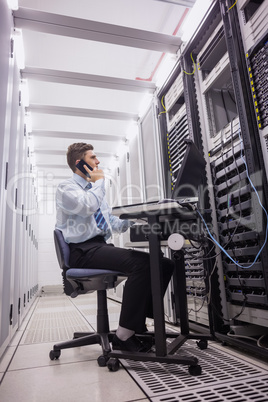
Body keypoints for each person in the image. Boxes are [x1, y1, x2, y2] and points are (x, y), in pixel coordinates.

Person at [55, 142, 174, 352]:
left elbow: (114, 224)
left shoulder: (95, 192)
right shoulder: (67, 189)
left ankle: (137, 327)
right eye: (93, 158)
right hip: (82, 251)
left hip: (99, 247)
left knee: (164, 264)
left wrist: (139, 216)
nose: (98, 161)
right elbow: (87, 206)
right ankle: (123, 335)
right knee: (143, 265)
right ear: (79, 163)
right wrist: (99, 182)